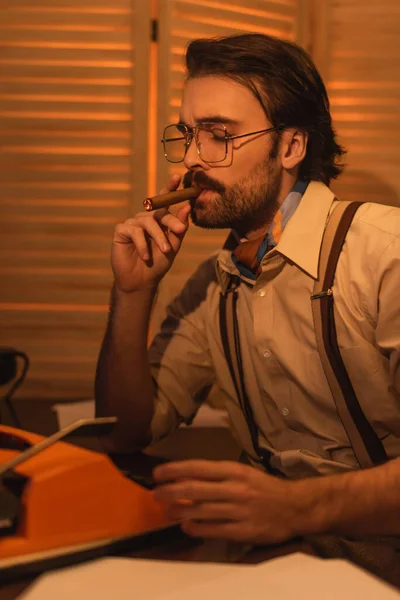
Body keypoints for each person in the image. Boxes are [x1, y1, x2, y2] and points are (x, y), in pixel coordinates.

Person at [95, 34, 400, 582]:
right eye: (187, 136)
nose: (191, 159)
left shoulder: (385, 254)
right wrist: (133, 293)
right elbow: (125, 431)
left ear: (290, 147)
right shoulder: (212, 284)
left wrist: (295, 507)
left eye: (219, 136)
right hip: (266, 566)